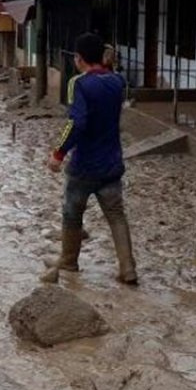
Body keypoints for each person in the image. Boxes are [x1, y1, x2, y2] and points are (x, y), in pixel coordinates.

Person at [43, 32, 137, 285]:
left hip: (84, 165)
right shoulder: (117, 81)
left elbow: (77, 123)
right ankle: (128, 268)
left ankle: (69, 260)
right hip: (111, 163)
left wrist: (58, 154)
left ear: (78, 58)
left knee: (72, 213)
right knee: (116, 215)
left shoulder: (80, 84)